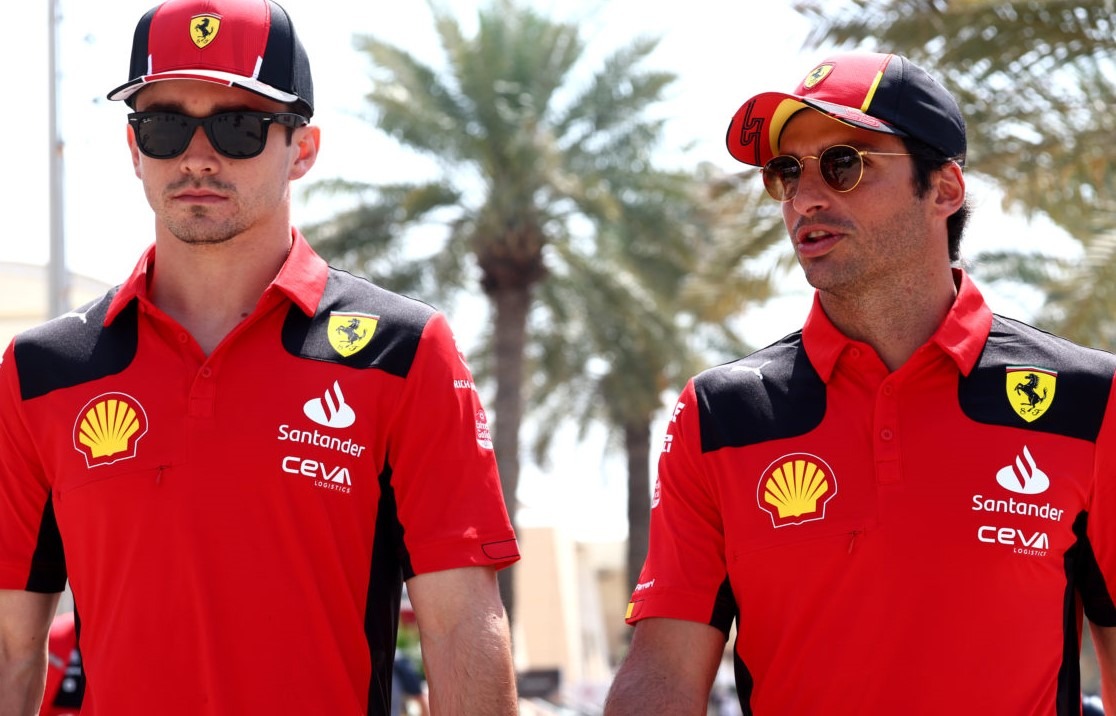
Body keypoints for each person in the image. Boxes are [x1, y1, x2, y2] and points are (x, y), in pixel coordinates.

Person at [0, 1, 520, 713]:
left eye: (240, 128)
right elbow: (11, 646)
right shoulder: (42, 372)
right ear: (133, 150)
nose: (197, 157)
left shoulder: (403, 351)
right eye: (165, 127)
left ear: (301, 149)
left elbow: (462, 627)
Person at [604, 51, 1116, 715]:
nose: (805, 197)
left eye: (844, 164)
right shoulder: (719, 415)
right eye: (787, 172)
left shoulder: (1089, 401)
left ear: (944, 189)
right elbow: (664, 675)